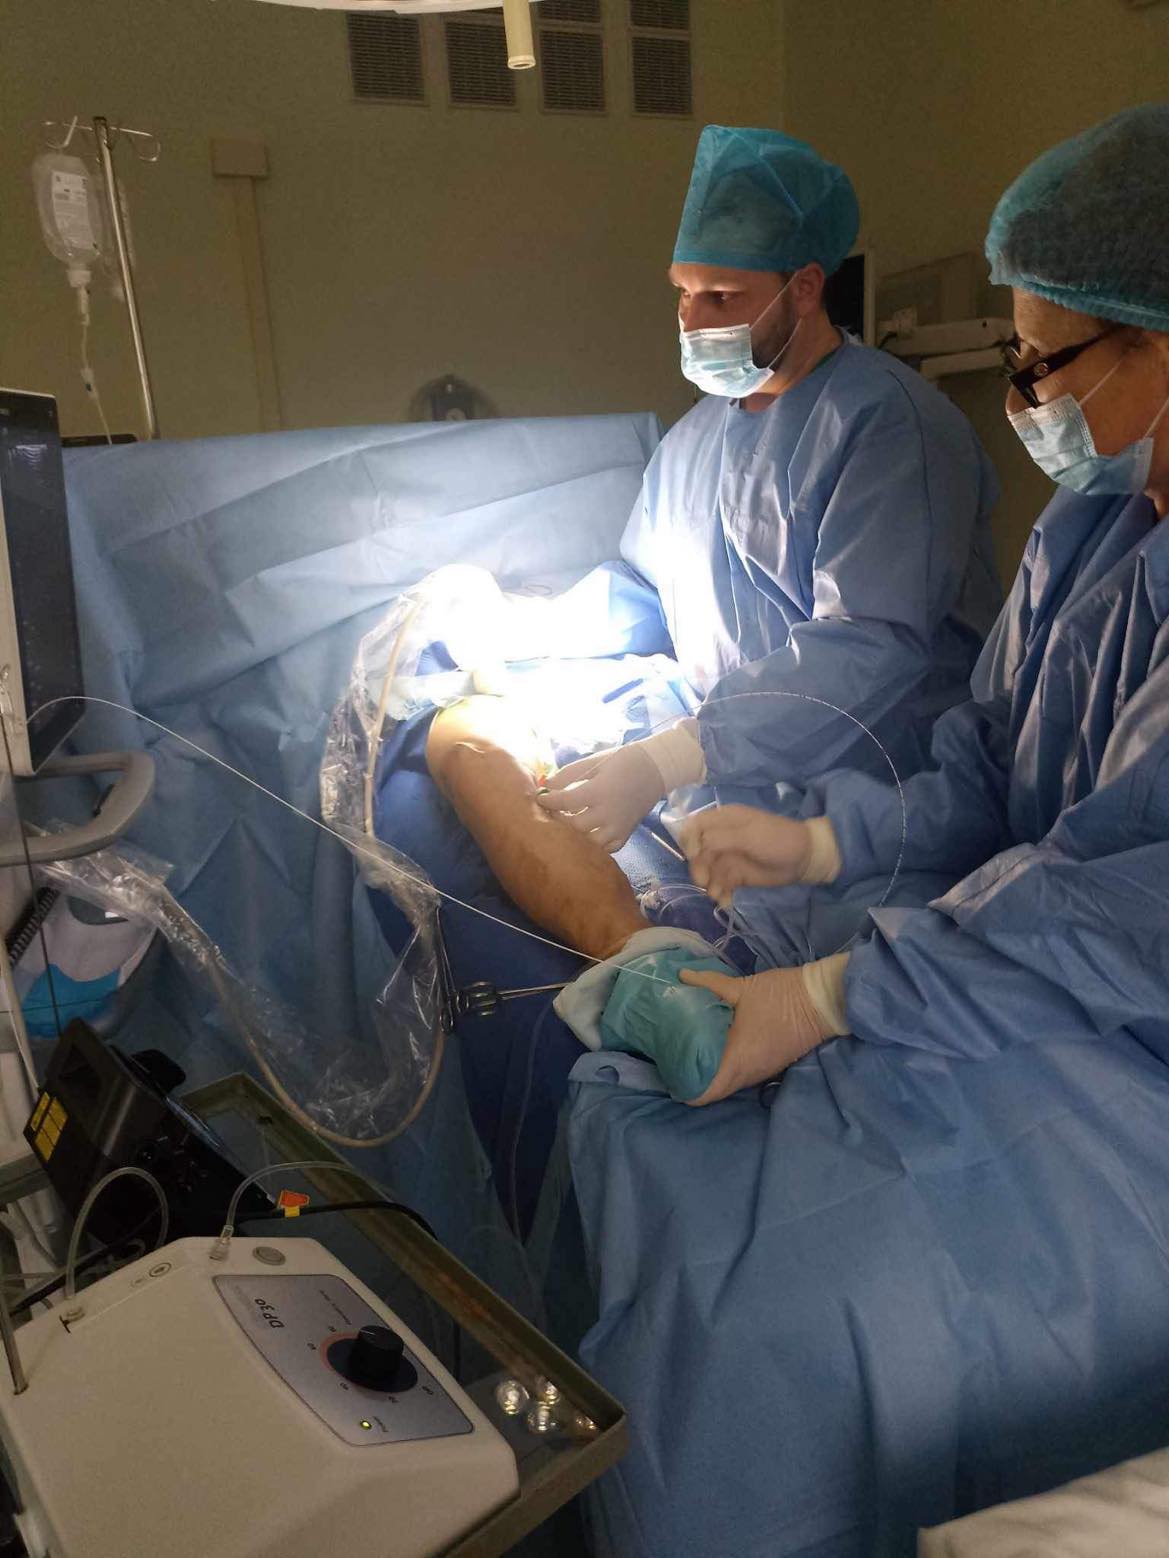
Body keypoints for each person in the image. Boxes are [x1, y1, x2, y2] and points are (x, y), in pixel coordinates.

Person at [564, 103, 1169, 1558]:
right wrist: (826, 849)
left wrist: (838, 994)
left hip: (1133, 1043)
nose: (1020, 398)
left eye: (1043, 364)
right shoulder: (1090, 534)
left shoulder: (887, 430)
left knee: (756, 1303)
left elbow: (1122, 909)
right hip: (1016, 958)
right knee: (638, 1122)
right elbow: (988, 763)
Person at [534, 123, 1001, 853]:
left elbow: (868, 646)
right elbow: (648, 589)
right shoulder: (693, 439)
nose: (692, 322)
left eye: (721, 296)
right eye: (682, 293)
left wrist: (669, 759)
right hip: (729, 784)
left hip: (870, 814)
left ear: (805, 288)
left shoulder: (890, 427)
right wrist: (528, 627)